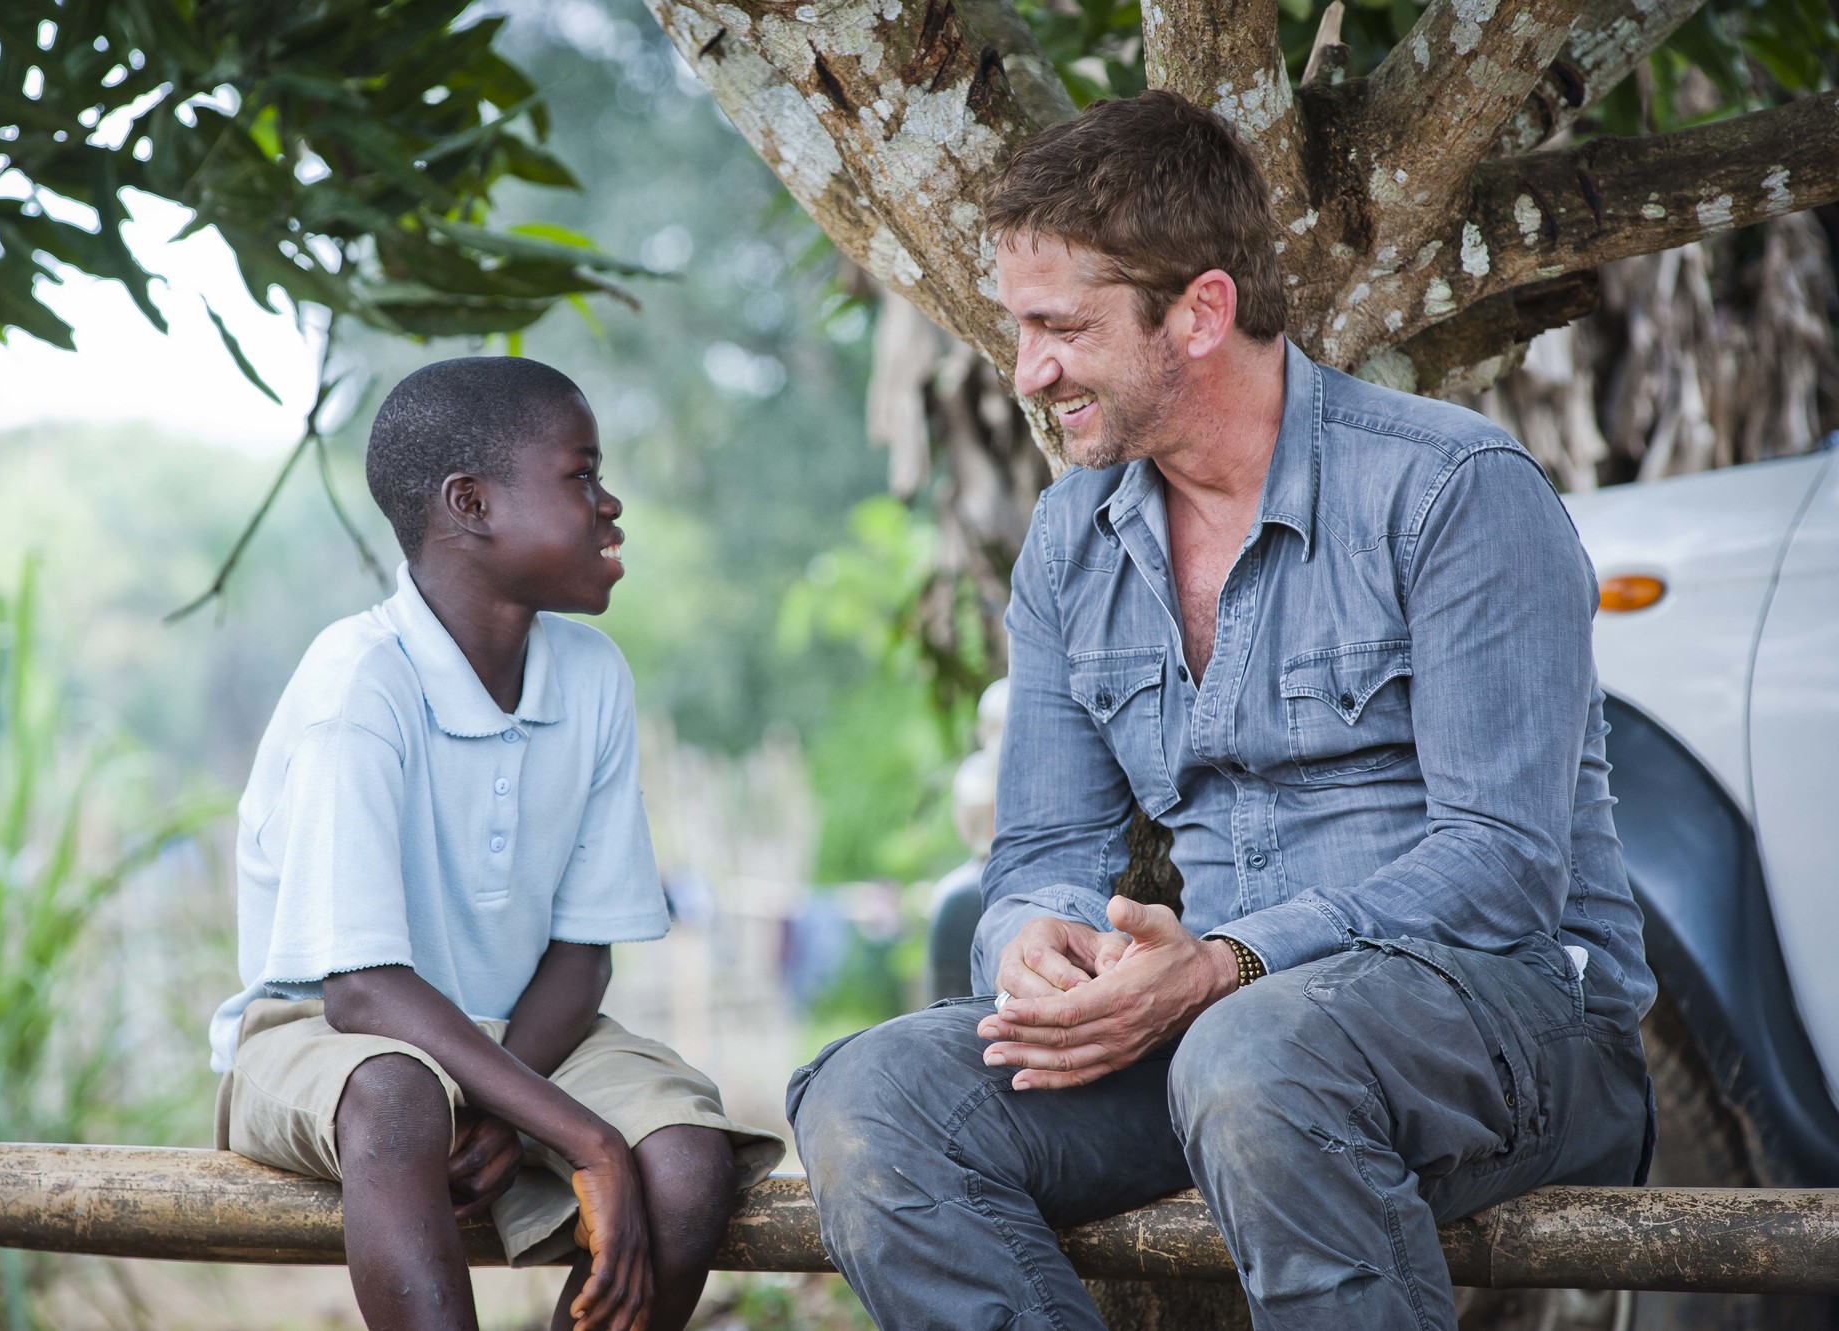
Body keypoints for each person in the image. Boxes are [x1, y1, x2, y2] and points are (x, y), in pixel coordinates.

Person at [787, 91, 1655, 1331]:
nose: (1027, 371)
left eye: (1060, 327)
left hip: (1514, 1027)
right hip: (1225, 1050)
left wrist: (1226, 963)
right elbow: (1040, 850)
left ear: (1198, 311)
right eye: (1020, 327)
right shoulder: (1070, 541)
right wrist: (1035, 943)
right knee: (872, 1097)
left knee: (1255, 1054)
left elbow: (1500, 865)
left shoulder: (1450, 489)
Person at [207, 357, 783, 1331]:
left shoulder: (591, 675)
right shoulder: (359, 686)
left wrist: (514, 1101)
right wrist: (585, 1139)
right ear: (469, 503)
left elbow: (581, 951)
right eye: (580, 474)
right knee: (398, 1097)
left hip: (526, 1034)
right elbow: (358, 990)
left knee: (685, 1162)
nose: (610, 505)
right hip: (321, 1038)